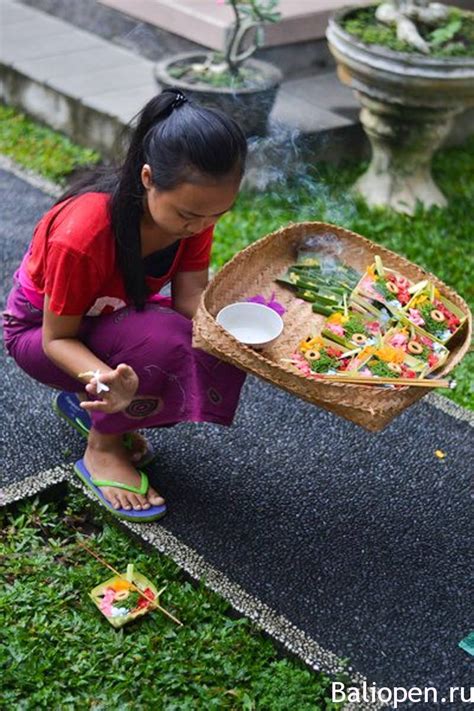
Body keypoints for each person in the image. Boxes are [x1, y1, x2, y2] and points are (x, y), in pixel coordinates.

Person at [3, 88, 248, 523]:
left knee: (203, 340)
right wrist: (103, 378)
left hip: (108, 313)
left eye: (217, 215)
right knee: (163, 342)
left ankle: (92, 404)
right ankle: (103, 449)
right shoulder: (83, 234)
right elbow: (56, 337)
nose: (202, 227)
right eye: (191, 216)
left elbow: (191, 299)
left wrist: (240, 340)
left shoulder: (195, 214)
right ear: (149, 178)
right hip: (40, 335)